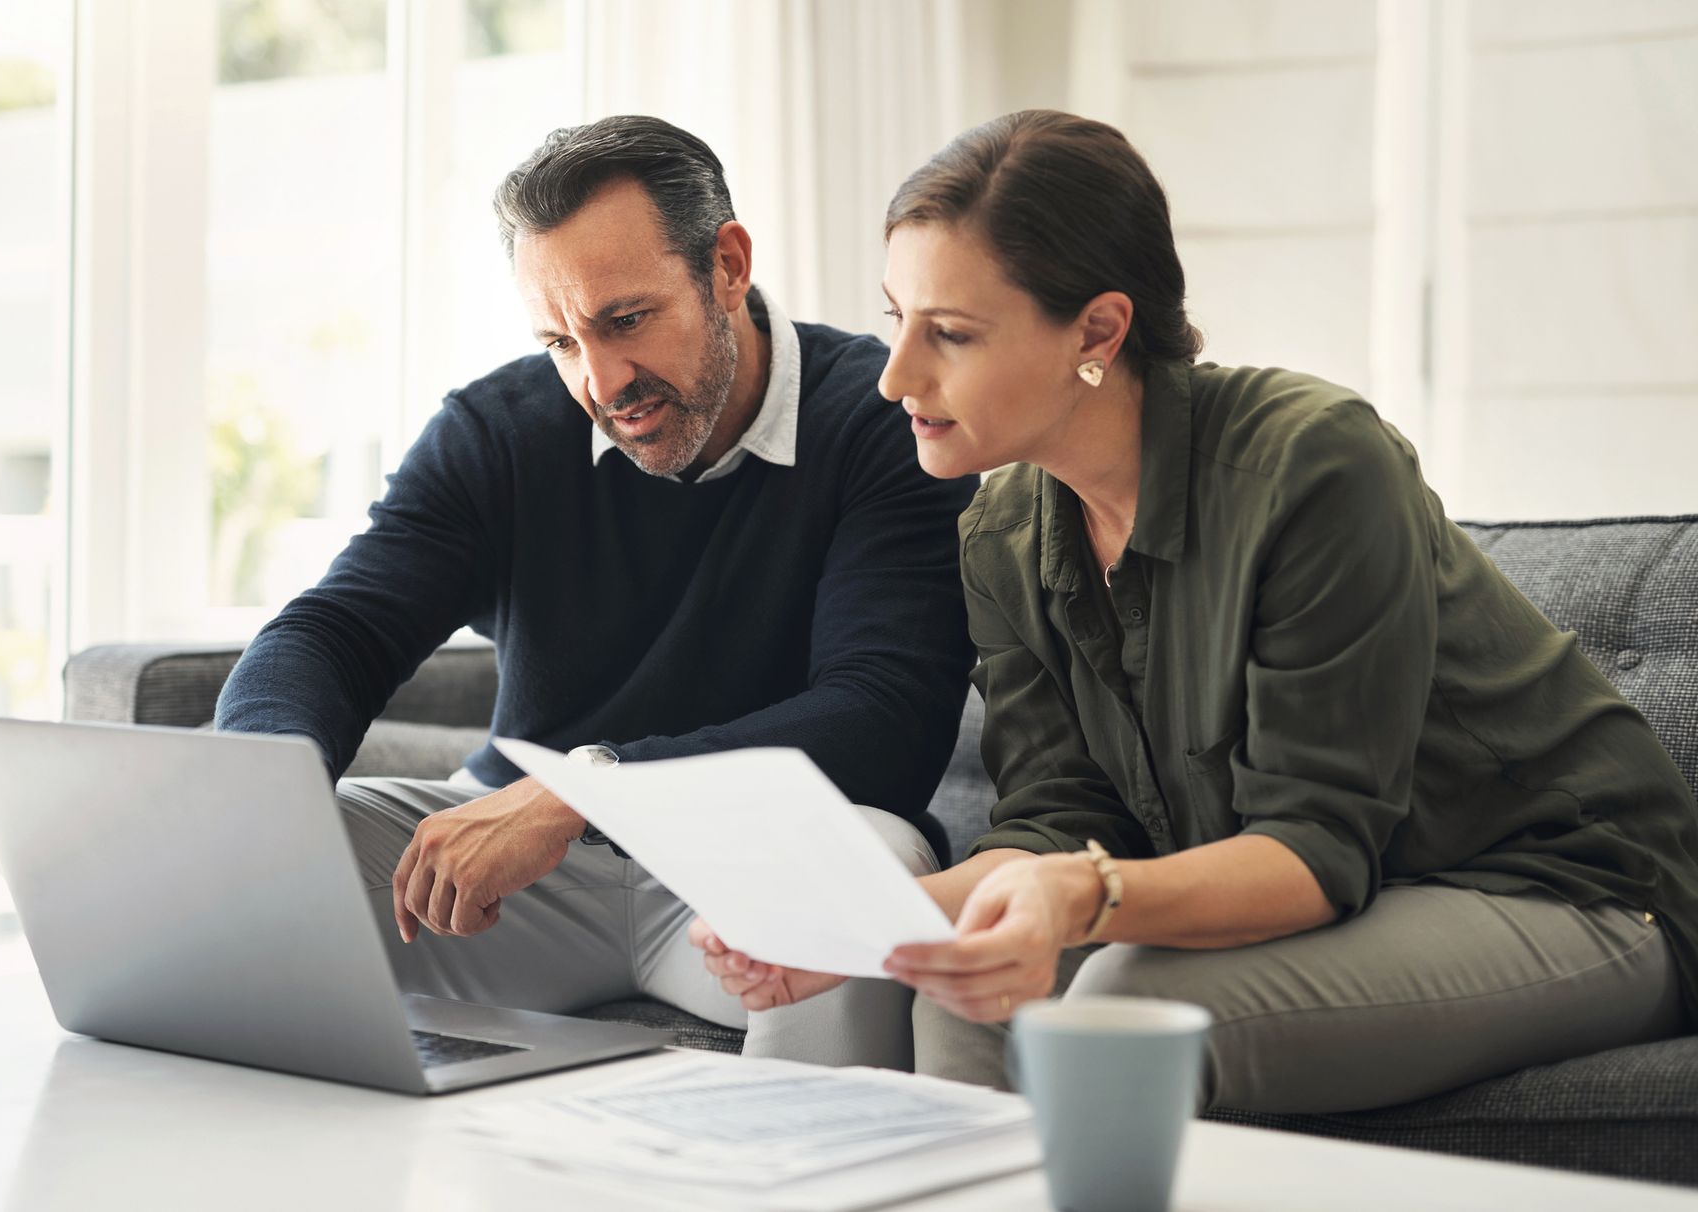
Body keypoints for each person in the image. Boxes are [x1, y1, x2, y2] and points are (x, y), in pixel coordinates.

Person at [694, 109, 1698, 1110]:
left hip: (1570, 891)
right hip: (1369, 893)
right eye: (895, 320)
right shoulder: (1001, 528)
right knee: (967, 982)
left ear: (1098, 329)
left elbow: (1315, 847)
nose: (895, 376)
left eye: (950, 333)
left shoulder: (1312, 463)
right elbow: (1056, 820)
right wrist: (858, 929)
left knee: (1125, 1003)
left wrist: (1086, 897)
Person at [213, 115, 976, 1069]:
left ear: (728, 266)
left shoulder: (881, 424)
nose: (602, 381)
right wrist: (255, 795)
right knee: (231, 870)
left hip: (741, 878)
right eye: (561, 341)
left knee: (868, 871)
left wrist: (582, 790)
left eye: (625, 321)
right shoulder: (498, 431)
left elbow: (884, 718)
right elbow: (334, 633)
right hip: (521, 889)